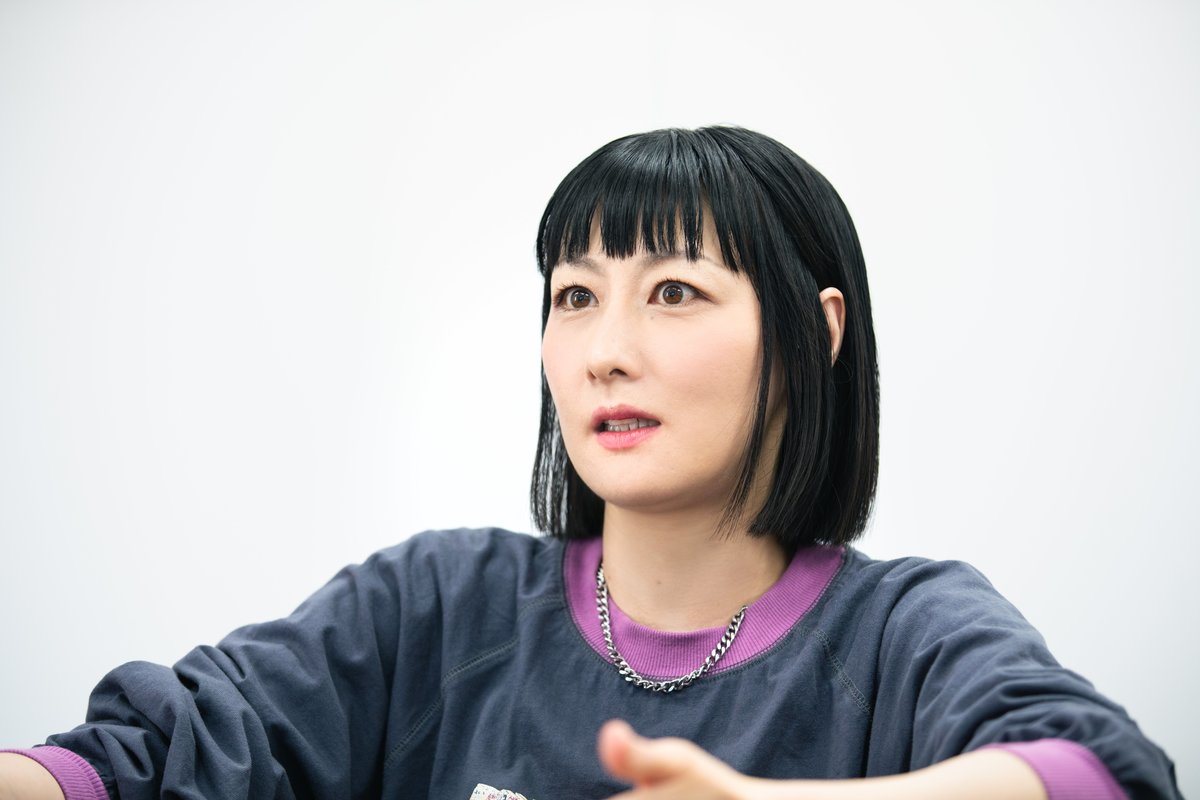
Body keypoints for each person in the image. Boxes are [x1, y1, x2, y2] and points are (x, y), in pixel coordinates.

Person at [0, 127, 1181, 800]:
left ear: (812, 333)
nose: (606, 350)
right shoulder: (433, 607)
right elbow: (151, 759)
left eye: (674, 291)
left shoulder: (906, 632)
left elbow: (1105, 772)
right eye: (575, 296)